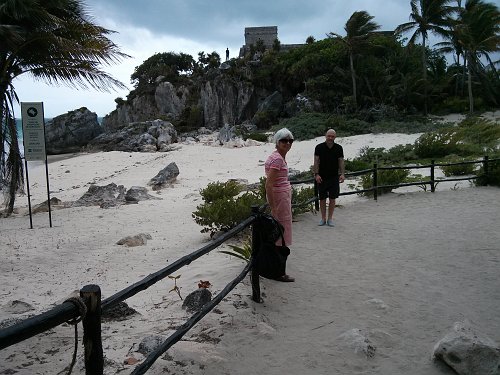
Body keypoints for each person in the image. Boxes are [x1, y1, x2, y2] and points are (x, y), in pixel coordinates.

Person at [264, 128, 295, 282]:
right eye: (284, 140)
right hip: (279, 199)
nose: (287, 143)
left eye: (290, 140)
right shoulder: (277, 159)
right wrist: (274, 208)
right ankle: (278, 272)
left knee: (279, 234)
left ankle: (276, 270)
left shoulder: (278, 157)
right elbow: (268, 185)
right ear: (277, 142)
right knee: (280, 235)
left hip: (281, 197)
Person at [313, 129, 345, 227]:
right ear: (325, 136)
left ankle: (330, 218)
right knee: (322, 198)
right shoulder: (319, 147)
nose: (330, 138)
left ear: (335, 137)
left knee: (332, 198)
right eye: (329, 136)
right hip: (322, 177)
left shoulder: (339, 148)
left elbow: (341, 161)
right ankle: (323, 218)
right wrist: (316, 174)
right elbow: (316, 161)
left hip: (334, 177)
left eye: (332, 136)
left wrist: (342, 173)